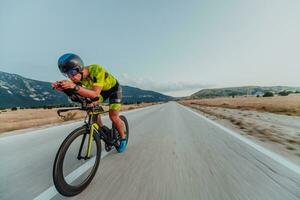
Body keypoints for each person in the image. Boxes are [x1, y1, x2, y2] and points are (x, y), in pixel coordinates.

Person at [52, 53, 127, 152]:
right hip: (100, 92)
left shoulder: (96, 69)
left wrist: (73, 86)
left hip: (114, 90)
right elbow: (77, 97)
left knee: (113, 116)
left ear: (80, 68)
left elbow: (95, 94)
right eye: (67, 74)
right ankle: (104, 130)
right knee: (90, 108)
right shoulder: (77, 79)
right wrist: (64, 89)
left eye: (72, 72)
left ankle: (123, 138)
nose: (71, 77)